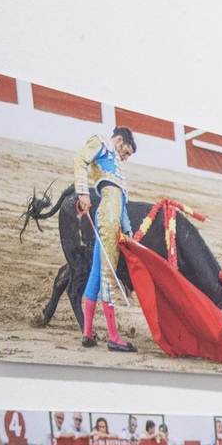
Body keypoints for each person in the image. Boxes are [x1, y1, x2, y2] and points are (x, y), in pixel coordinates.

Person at [73, 125, 138, 353]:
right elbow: (80, 158)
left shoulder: (113, 160)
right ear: (119, 139)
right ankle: (113, 337)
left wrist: (128, 229)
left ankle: (88, 333)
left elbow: (119, 200)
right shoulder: (102, 142)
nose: (125, 157)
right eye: (126, 152)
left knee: (96, 274)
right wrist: (82, 192)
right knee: (108, 275)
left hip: (113, 215)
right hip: (108, 215)